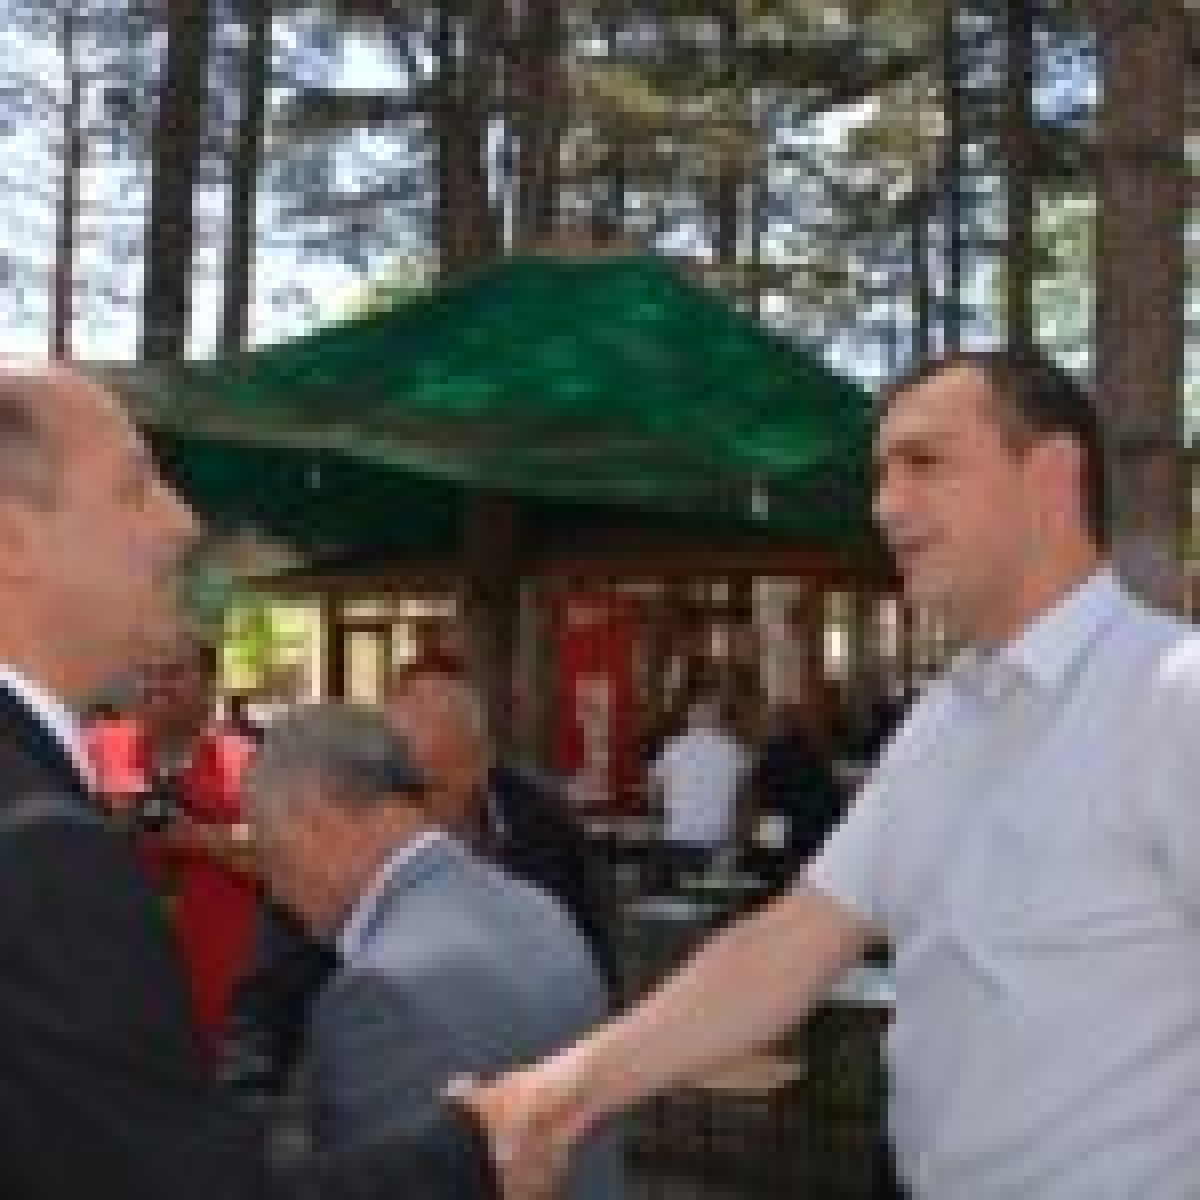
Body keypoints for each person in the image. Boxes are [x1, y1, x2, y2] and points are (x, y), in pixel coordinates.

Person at [465, 349, 1200, 1200]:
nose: (886, 505)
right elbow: (788, 947)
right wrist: (562, 1093)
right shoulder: (946, 718)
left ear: (1052, 475)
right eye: (882, 473)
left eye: (925, 462)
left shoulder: (1171, 696)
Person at [0, 362, 495, 1199]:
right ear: (12, 542)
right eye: (134, 487)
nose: (182, 520)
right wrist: (473, 1154)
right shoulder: (41, 849)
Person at [247, 703, 625, 1200]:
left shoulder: (378, 991)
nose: (276, 892)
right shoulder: (537, 906)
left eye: (272, 855)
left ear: (316, 821)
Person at [226, 668, 616, 1100]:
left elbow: (592, 953)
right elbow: (268, 1000)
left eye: (428, 788)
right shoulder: (327, 874)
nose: (409, 811)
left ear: (480, 766)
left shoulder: (543, 825)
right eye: (396, 787)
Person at [140, 636, 261, 1063]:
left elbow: (284, 857)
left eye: (174, 672)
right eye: (148, 673)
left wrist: (200, 837)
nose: (157, 685)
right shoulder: (98, 755)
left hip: (224, 997)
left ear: (210, 684)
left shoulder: (248, 762)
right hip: (128, 991)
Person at [647, 695, 751, 879]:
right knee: (714, 891)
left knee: (676, 890)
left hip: (678, 835)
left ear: (689, 719)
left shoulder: (673, 748)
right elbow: (745, 796)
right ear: (718, 720)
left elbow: (653, 791)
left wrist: (660, 817)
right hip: (718, 837)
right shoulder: (736, 750)